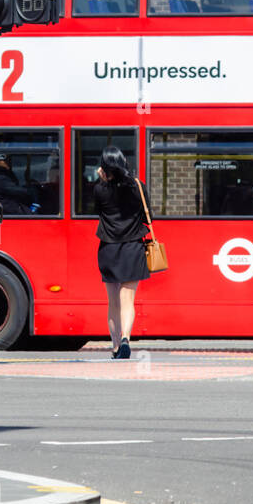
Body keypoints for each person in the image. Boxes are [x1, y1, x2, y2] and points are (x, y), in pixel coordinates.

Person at [94, 146, 151, 359]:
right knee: (128, 299)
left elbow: (98, 211)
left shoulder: (100, 189)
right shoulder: (138, 186)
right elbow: (149, 218)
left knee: (113, 302)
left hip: (108, 248)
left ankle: (116, 346)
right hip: (133, 248)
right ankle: (126, 338)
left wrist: (102, 182)